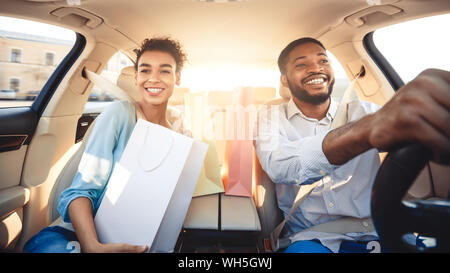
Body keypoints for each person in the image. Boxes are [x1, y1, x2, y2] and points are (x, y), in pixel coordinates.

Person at [254, 37, 450, 253]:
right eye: (302, 64)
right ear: (284, 79)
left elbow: (409, 132)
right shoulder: (270, 117)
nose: (316, 69)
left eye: (323, 61)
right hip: (313, 239)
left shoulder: (365, 112)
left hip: (378, 232)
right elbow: (279, 166)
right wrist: (362, 133)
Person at [24, 37, 188, 253]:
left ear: (177, 77)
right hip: (80, 236)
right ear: (137, 77)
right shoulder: (119, 114)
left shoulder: (179, 131)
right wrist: (93, 246)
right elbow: (79, 193)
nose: (153, 79)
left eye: (165, 71)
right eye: (145, 70)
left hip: (141, 240)